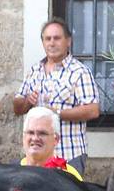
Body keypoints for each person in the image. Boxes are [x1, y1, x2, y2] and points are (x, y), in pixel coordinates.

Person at [13, 18, 99, 170]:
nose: (52, 43)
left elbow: (92, 110)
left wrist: (57, 113)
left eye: (57, 38)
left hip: (68, 154)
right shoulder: (34, 71)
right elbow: (17, 108)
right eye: (48, 39)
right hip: (36, 157)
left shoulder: (79, 71)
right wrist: (27, 102)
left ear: (68, 41)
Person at [19, 106, 81, 179]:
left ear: (56, 139)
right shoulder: (13, 172)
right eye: (30, 132)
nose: (35, 138)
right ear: (23, 137)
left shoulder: (69, 175)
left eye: (42, 133)